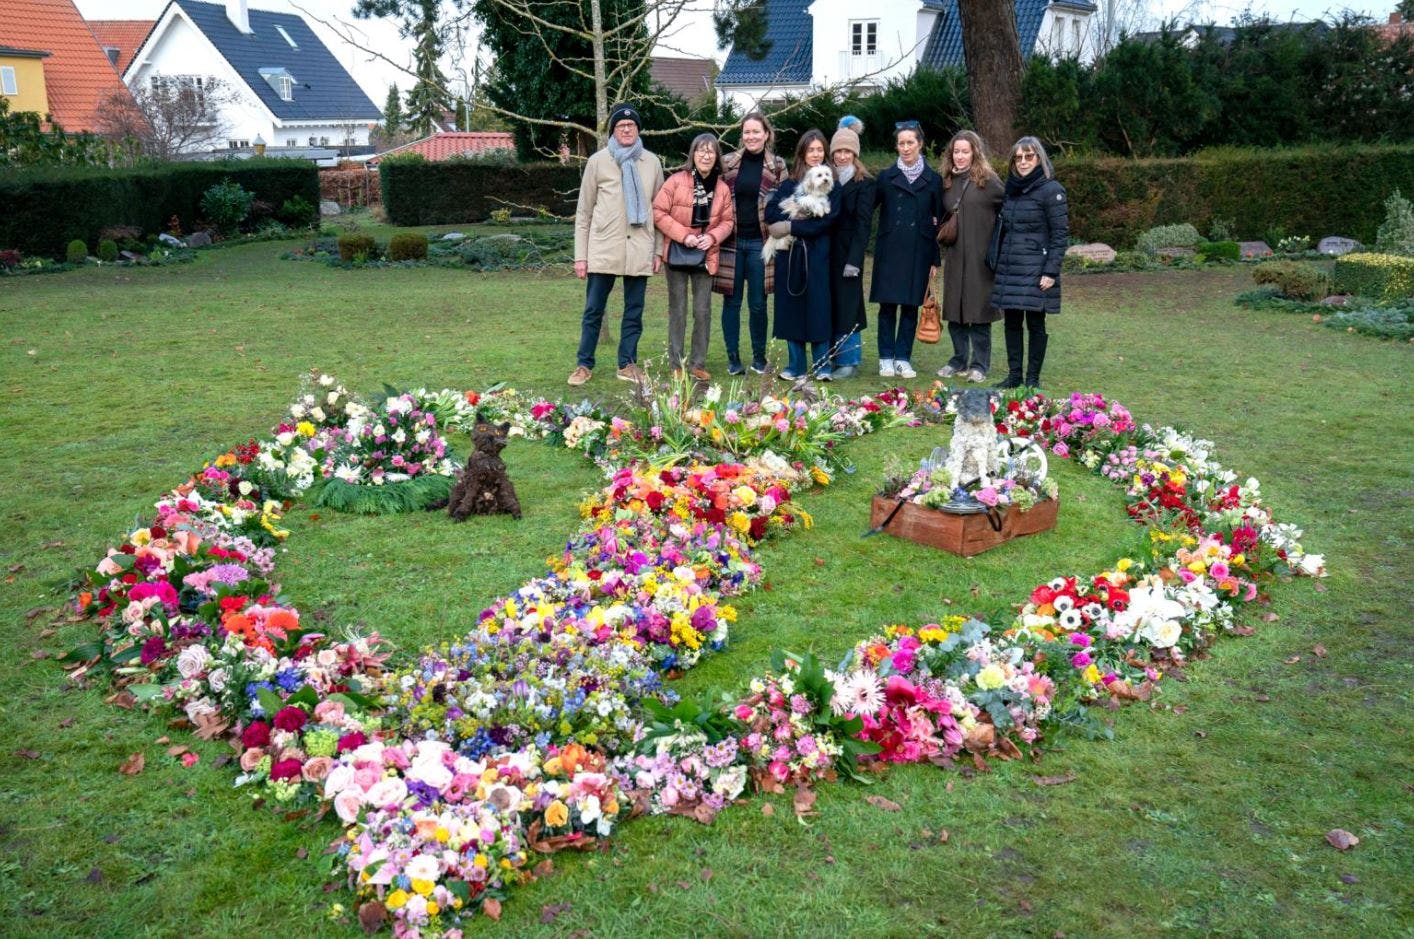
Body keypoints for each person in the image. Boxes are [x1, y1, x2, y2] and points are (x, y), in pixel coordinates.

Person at [568, 103, 666, 387]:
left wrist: (658, 250)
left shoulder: (652, 162)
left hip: (639, 248)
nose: (626, 129)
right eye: (621, 126)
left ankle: (627, 363)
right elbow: (584, 212)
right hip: (603, 248)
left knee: (634, 311)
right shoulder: (598, 161)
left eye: (631, 125)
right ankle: (584, 364)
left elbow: (659, 211)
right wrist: (580, 257)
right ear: (613, 130)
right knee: (593, 309)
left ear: (638, 130)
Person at [652, 133, 735, 381]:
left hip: (706, 253)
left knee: (703, 310)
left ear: (717, 157)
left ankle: (698, 363)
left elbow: (729, 221)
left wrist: (712, 238)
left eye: (711, 151)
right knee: (677, 310)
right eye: (701, 150)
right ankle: (676, 364)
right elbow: (658, 211)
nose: (706, 155)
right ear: (693, 154)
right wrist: (683, 235)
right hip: (678, 252)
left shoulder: (722, 188)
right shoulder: (676, 181)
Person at [988, 136, 1069, 389]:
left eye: (1029, 156)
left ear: (1039, 159)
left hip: (1037, 269)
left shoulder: (1051, 190)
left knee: (1035, 323)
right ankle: (1014, 376)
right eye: (1018, 157)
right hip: (1011, 267)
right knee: (1012, 323)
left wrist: (1051, 272)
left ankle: (1032, 379)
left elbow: (1059, 235)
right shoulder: (1011, 190)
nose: (1023, 162)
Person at [714, 112, 787, 375]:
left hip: (761, 244)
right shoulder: (728, 162)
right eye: (747, 132)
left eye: (756, 131)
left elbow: (784, 203)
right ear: (741, 135)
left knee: (758, 303)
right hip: (731, 243)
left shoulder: (778, 166)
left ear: (766, 134)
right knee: (731, 302)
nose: (751, 136)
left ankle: (759, 357)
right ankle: (733, 357)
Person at [765, 129, 840, 381]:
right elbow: (772, 214)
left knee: (819, 308)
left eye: (820, 150)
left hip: (818, 255)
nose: (816, 154)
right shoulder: (788, 184)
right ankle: (795, 365)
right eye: (811, 150)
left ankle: (822, 366)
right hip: (790, 255)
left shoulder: (832, 185)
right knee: (791, 308)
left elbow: (827, 221)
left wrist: (792, 226)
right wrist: (783, 225)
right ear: (803, 153)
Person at [870, 120, 942, 380]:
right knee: (887, 307)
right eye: (901, 143)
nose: (905, 147)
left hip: (919, 250)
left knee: (911, 307)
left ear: (920, 144)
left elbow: (939, 222)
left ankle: (903, 358)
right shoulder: (885, 178)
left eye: (910, 142)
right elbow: (867, 208)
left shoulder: (933, 180)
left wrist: (935, 259)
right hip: (890, 250)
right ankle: (885, 358)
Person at [937, 129, 1004, 383]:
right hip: (955, 258)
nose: (960, 156)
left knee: (978, 314)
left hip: (980, 260)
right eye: (957, 151)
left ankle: (980, 365)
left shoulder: (988, 181)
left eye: (965, 151)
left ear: (975, 153)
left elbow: (1008, 208)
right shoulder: (946, 181)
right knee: (955, 312)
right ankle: (958, 359)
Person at [826, 126, 874, 380]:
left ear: (855, 154)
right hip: (826, 253)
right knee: (830, 305)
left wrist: (855, 259)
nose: (842, 156)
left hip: (849, 256)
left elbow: (863, 224)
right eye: (838, 151)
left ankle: (849, 360)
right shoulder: (826, 178)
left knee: (849, 307)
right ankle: (832, 357)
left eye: (847, 151)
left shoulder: (865, 183)